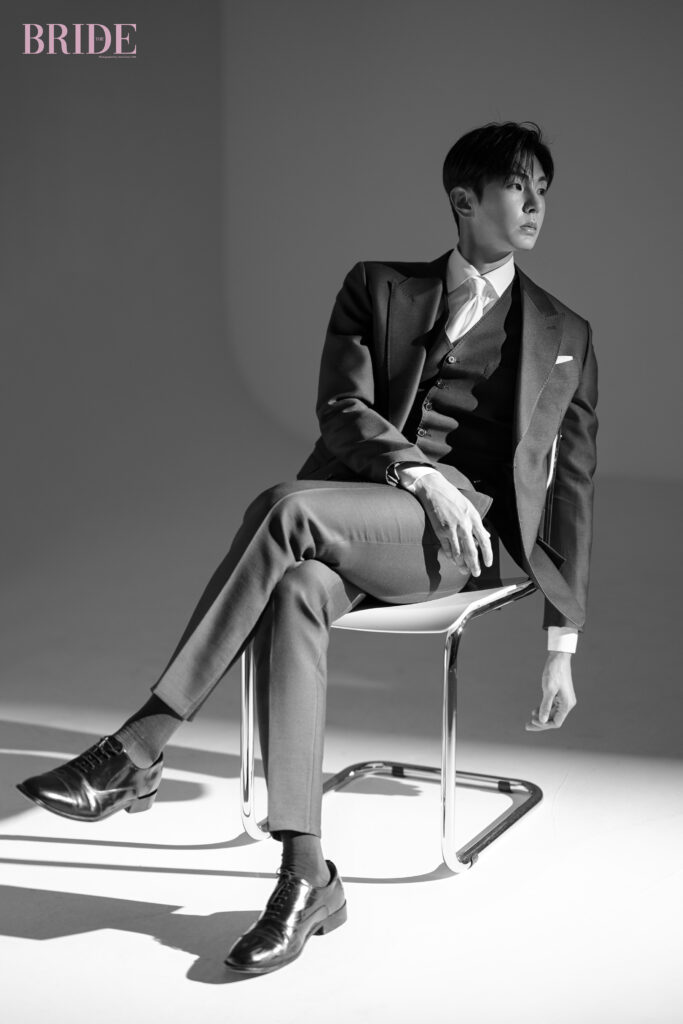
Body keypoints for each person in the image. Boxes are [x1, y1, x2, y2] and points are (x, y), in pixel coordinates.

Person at [17, 121, 598, 974]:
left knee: (283, 509)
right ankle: (306, 875)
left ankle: (139, 746)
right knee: (294, 589)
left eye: (543, 187)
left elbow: (571, 487)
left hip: (460, 541)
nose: (536, 203)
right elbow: (342, 410)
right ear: (463, 200)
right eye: (518, 186)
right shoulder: (378, 287)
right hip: (368, 504)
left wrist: (561, 643)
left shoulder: (564, 331)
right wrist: (417, 474)